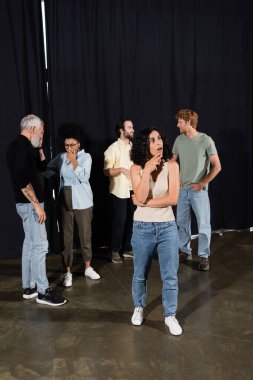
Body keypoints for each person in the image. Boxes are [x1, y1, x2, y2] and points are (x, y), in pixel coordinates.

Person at [6, 114, 66, 306]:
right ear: (32, 129)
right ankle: (43, 291)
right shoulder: (19, 148)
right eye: (41, 132)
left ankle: (29, 287)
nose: (42, 135)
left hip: (29, 205)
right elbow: (22, 181)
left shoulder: (27, 147)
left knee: (30, 244)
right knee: (40, 246)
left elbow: (41, 167)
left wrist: (40, 147)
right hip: (31, 205)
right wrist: (37, 207)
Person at [129, 128, 182, 336]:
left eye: (159, 137)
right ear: (144, 145)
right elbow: (139, 196)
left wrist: (146, 203)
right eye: (152, 140)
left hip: (168, 226)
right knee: (140, 274)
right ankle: (138, 307)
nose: (158, 142)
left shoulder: (172, 166)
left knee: (170, 276)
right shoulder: (136, 169)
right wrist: (147, 171)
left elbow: (173, 199)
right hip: (142, 227)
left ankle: (170, 315)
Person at [46, 123, 100, 287]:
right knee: (66, 239)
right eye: (66, 145)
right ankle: (67, 272)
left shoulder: (86, 157)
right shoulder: (61, 157)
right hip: (65, 201)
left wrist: (74, 161)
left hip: (83, 201)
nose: (69, 148)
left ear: (79, 144)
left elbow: (84, 177)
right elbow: (48, 170)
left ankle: (88, 267)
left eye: (72, 145)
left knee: (85, 236)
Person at [172, 109, 221, 271]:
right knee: (181, 223)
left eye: (180, 121)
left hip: (199, 190)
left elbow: (217, 166)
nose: (177, 124)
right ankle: (185, 251)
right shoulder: (179, 140)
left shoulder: (206, 140)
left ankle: (204, 256)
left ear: (188, 122)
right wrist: (175, 178)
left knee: (203, 224)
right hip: (182, 190)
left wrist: (202, 183)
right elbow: (173, 162)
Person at [103, 118, 135, 263]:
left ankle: (127, 248)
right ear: (121, 130)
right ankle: (115, 250)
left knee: (132, 220)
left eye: (132, 127)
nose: (132, 129)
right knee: (120, 221)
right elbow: (106, 171)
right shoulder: (112, 148)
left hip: (133, 189)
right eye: (129, 127)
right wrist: (121, 169)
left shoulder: (134, 147)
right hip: (119, 190)